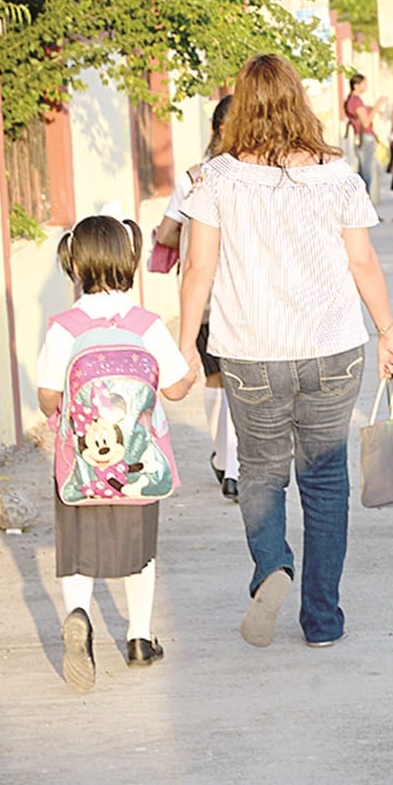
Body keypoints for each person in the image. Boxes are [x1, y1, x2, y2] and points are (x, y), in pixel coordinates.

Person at [178, 54, 393, 650]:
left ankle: (272, 567)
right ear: (299, 102)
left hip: (252, 354)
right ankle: (323, 620)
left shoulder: (216, 179)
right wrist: (387, 330)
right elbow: (362, 262)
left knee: (260, 473)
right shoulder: (338, 176)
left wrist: (183, 346)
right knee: (326, 482)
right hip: (333, 348)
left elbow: (198, 267)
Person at [37, 211, 196, 691]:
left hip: (80, 463)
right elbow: (174, 390)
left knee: (77, 550)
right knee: (139, 551)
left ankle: (79, 615)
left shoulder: (64, 327)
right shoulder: (146, 325)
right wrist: (187, 372)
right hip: (137, 464)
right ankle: (140, 638)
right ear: (129, 260)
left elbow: (47, 395)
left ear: (74, 264)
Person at [155, 96, 239, 502]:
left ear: (213, 129)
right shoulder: (253, 174)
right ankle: (236, 463)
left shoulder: (194, 177)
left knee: (214, 377)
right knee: (242, 376)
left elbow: (168, 234)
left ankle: (226, 460)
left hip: (204, 298)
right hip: (244, 295)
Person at [343, 73, 386, 201]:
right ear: (356, 85)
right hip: (365, 137)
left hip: (360, 137)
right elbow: (365, 121)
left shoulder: (350, 100)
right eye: (363, 84)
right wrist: (377, 106)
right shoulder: (356, 101)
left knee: (363, 170)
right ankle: (366, 202)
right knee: (367, 172)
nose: (366, 86)